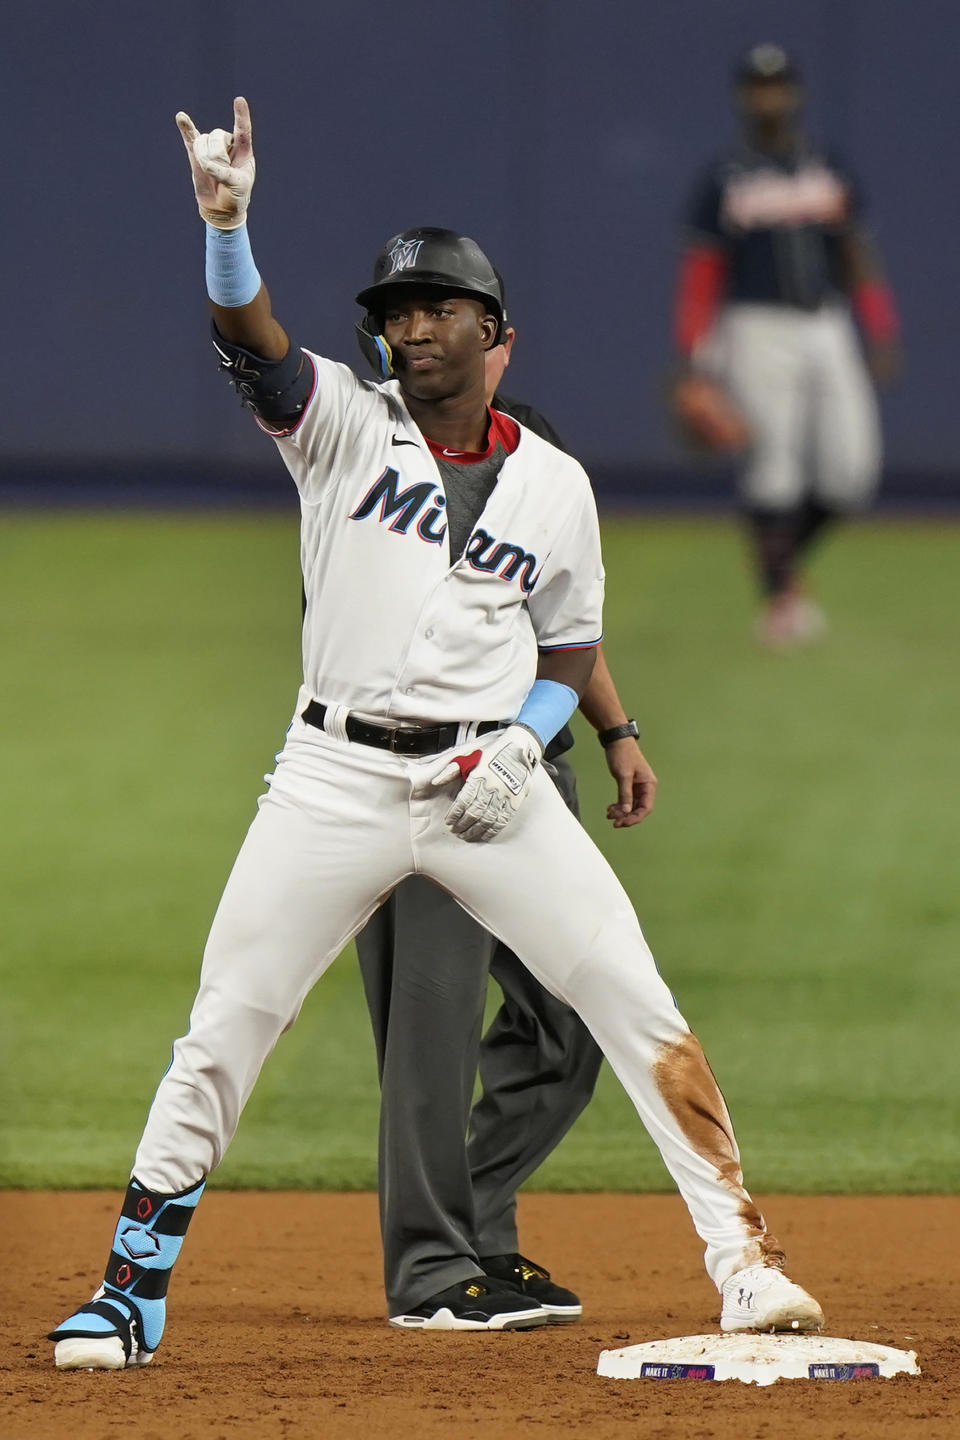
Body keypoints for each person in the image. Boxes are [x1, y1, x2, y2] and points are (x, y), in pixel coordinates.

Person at [49, 96, 823, 1370]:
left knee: (636, 1006)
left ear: (496, 336)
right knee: (230, 1021)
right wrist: (228, 230)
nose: (409, 326)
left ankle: (745, 1265)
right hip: (331, 777)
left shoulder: (555, 486)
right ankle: (131, 1289)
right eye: (396, 312)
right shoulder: (343, 425)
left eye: (435, 308)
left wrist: (530, 741)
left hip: (491, 784)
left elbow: (569, 644)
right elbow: (257, 347)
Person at [357, 324, 655, 1327]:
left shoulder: (537, 456)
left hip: (536, 781)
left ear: (500, 345)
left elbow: (566, 621)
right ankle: (433, 1269)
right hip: (425, 779)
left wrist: (617, 730)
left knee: (572, 1020)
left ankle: (475, 1222)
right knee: (429, 1029)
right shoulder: (377, 472)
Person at [673, 42, 901, 647]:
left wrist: (878, 324)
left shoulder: (826, 165)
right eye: (757, 86)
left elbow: (856, 254)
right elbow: (701, 274)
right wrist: (694, 360)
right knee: (772, 471)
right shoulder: (724, 178)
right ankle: (780, 601)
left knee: (852, 472)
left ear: (795, 93)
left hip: (826, 323)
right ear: (743, 98)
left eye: (777, 85)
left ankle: (778, 564)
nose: (768, 97)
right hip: (754, 327)